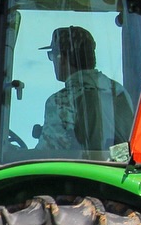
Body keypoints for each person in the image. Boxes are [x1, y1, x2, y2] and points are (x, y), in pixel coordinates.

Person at [35, 25, 134, 154]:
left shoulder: (61, 101)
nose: (52, 61)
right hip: (118, 167)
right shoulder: (119, 91)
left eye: (52, 55)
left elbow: (47, 153)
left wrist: (12, 154)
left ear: (61, 57)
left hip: (80, 171)